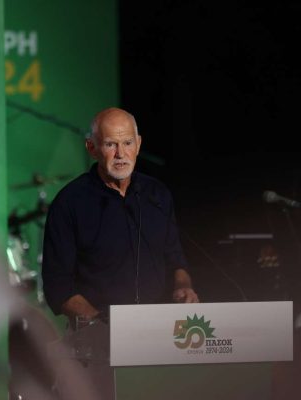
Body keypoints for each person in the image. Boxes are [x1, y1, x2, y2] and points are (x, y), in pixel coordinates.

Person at [42, 107, 198, 324]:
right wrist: (102, 326)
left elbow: (175, 259)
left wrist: (184, 286)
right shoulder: (69, 202)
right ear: (91, 148)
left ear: (138, 144)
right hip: (97, 332)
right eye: (110, 144)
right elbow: (58, 286)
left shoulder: (157, 194)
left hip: (161, 326)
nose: (121, 154)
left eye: (127, 143)